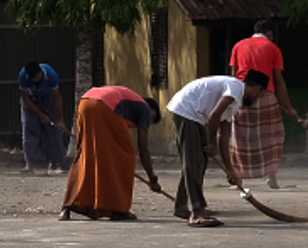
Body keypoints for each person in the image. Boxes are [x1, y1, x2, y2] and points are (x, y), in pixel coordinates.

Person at [60, 84, 165, 221]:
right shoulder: (145, 109)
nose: (148, 122)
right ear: (152, 110)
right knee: (126, 156)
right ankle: (118, 209)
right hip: (105, 105)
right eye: (152, 119)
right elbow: (143, 149)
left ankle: (68, 207)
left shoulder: (128, 103)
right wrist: (152, 179)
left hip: (85, 102)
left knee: (87, 155)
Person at [163, 70, 249, 226]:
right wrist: (212, 144)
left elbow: (224, 136)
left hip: (196, 116)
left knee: (198, 162)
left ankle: (182, 206)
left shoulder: (235, 103)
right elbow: (215, 115)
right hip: (187, 111)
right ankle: (197, 212)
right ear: (256, 88)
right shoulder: (237, 87)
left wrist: (230, 170)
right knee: (193, 162)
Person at [226, 21, 297, 187]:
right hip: (266, 98)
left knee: (240, 138)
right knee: (272, 138)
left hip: (242, 96)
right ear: (270, 34)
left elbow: (233, 76)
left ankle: (239, 179)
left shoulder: (238, 46)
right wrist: (289, 107)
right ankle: (272, 178)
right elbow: (278, 81)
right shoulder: (273, 48)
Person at [17, 59, 68, 174]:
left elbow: (57, 97)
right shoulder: (23, 76)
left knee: (53, 129)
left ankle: (55, 164)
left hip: (48, 98)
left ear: (40, 73)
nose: (35, 80)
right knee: (30, 128)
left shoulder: (51, 74)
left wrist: (60, 119)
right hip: (31, 99)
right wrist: (40, 115)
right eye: (32, 79)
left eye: (36, 78)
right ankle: (30, 164)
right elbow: (26, 99)